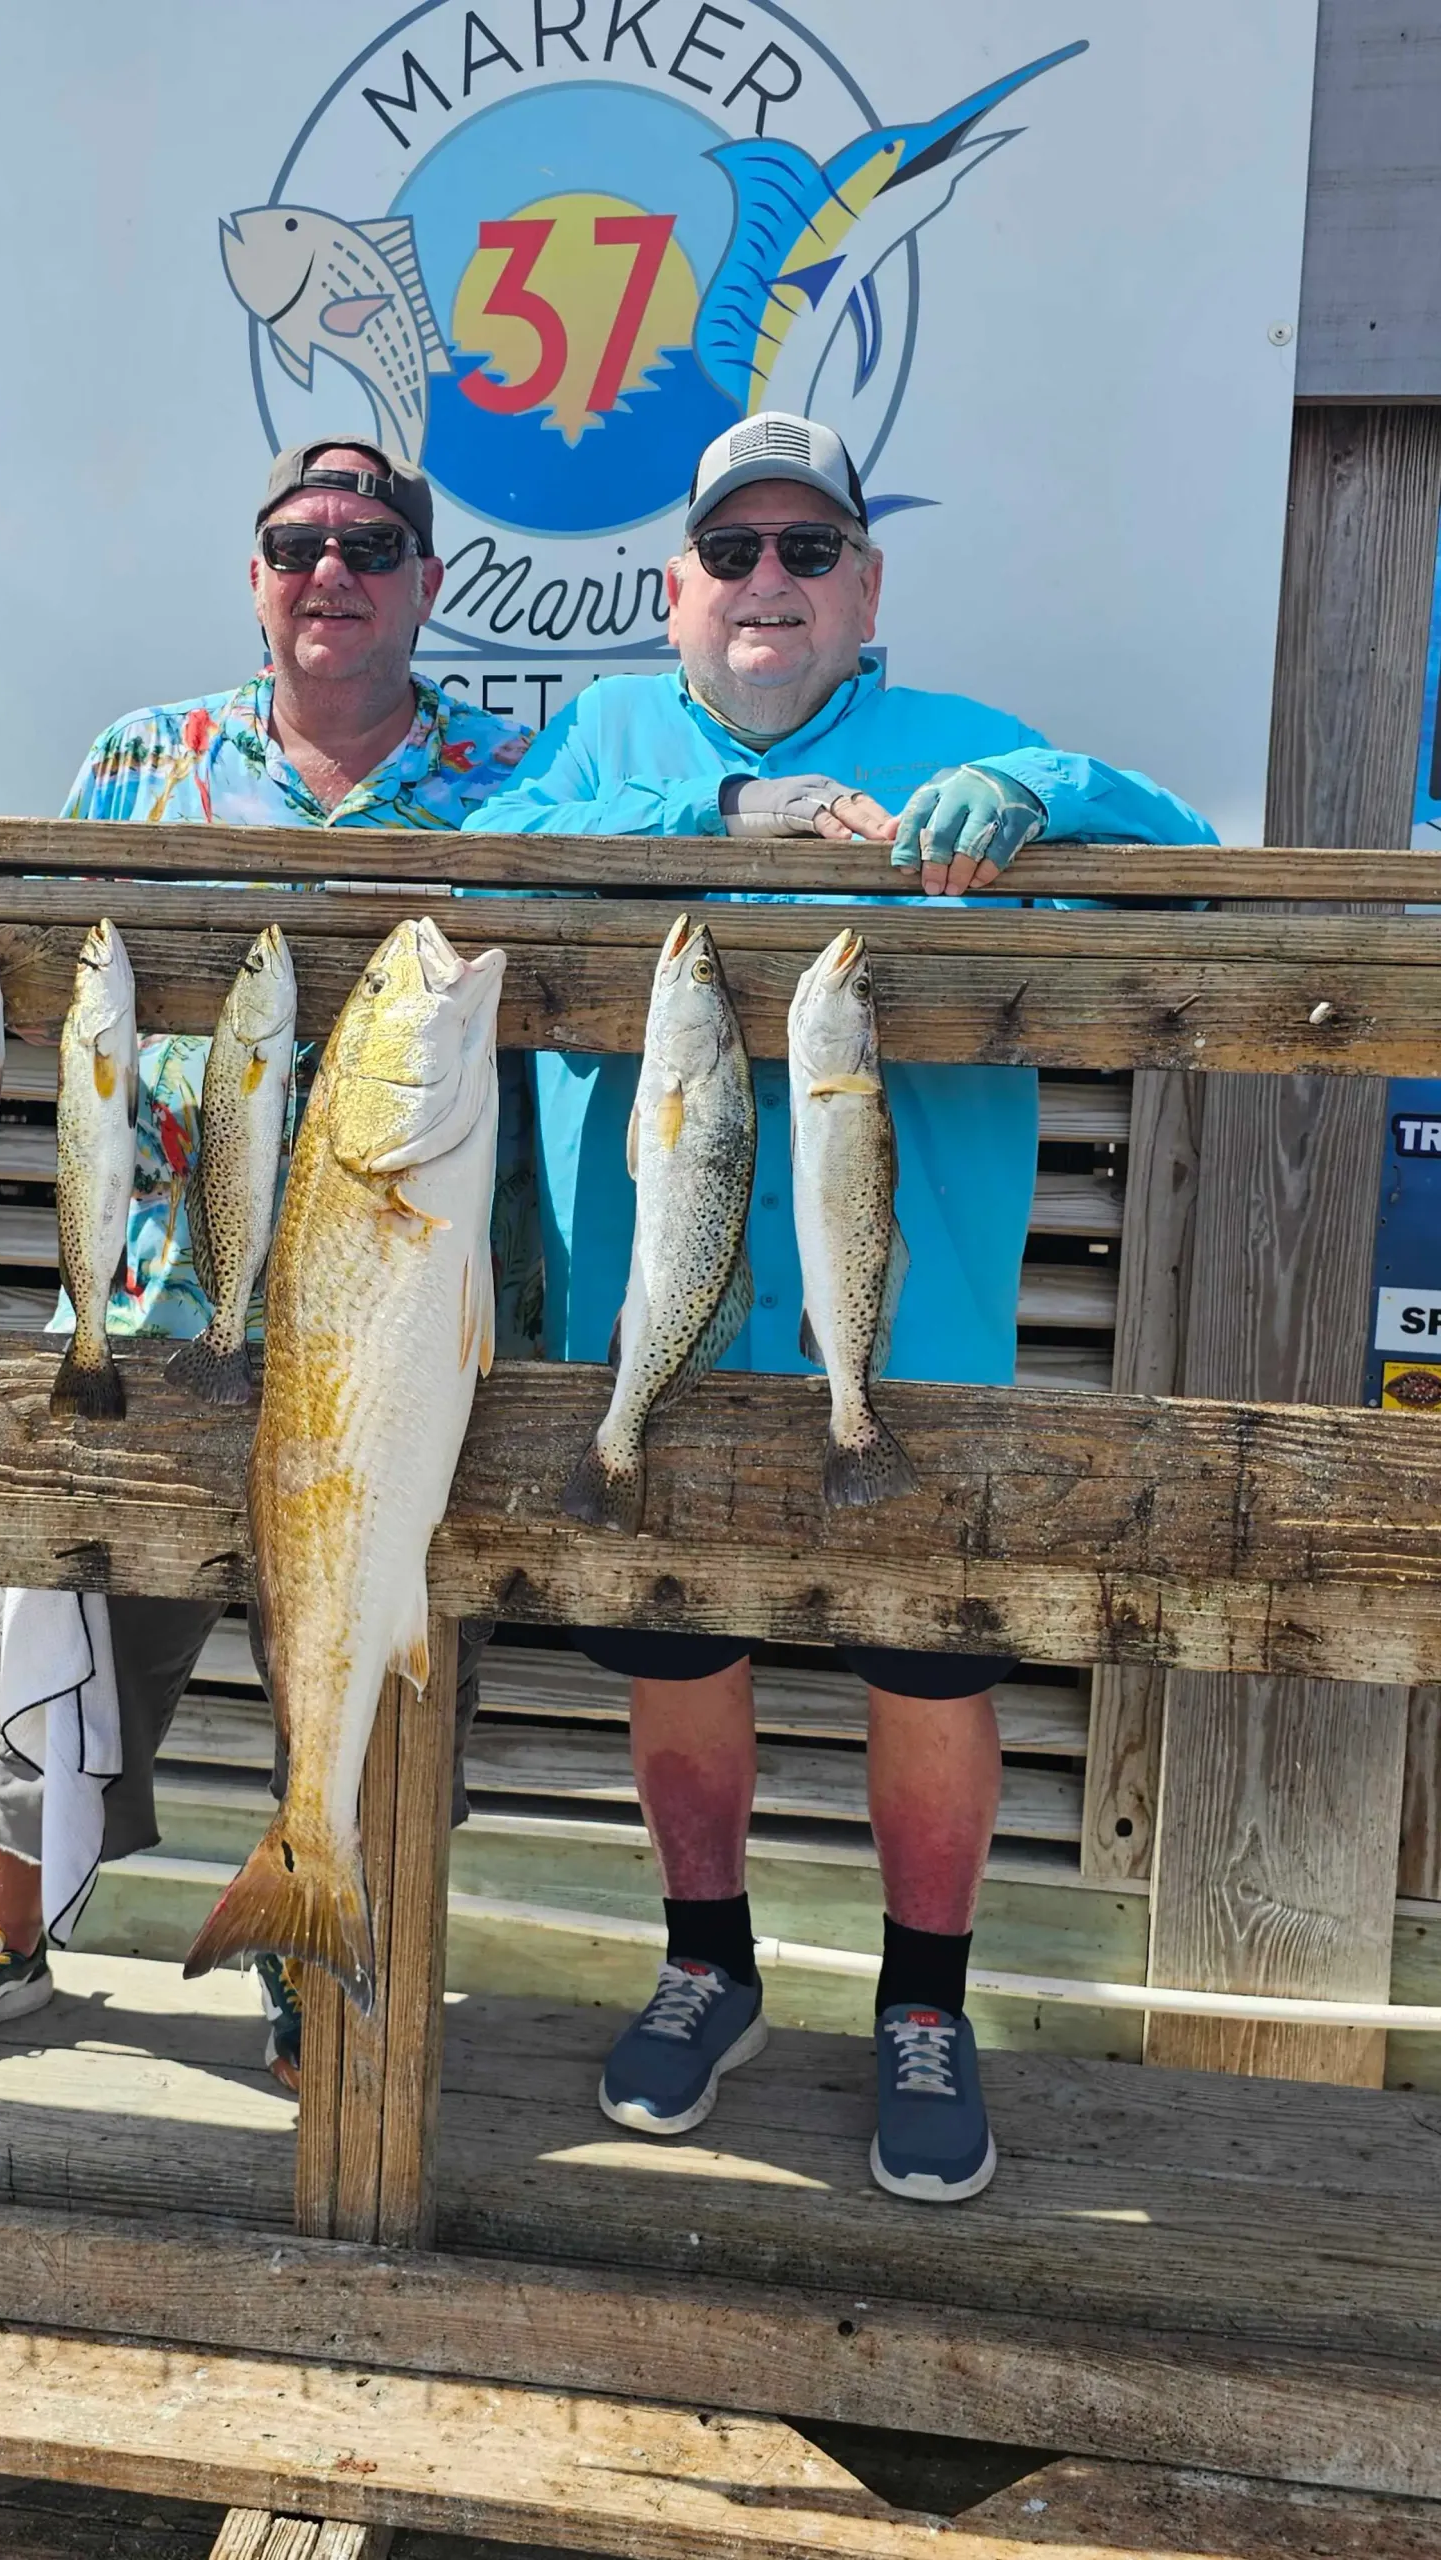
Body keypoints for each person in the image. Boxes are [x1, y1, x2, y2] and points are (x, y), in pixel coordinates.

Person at [469, 409, 1215, 2203]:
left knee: (930, 1662)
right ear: (674, 593)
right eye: (734, 552)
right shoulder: (595, 743)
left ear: (869, 589)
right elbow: (485, 859)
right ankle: (707, 1964)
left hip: (916, 1328)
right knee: (679, 1647)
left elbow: (1184, 844)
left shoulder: (967, 748)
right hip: (659, 1333)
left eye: (811, 551)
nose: (770, 583)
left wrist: (1058, 798)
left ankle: (927, 2007)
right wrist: (720, 815)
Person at [0, 439, 531, 2091]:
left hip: (407, 1316)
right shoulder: (148, 758)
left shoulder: (521, 766)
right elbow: (52, 956)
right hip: (149, 1301)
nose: (332, 570)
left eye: (370, 542)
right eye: (297, 542)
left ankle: (320, 1932)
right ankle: (3, 1936)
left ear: (428, 578)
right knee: (50, 1612)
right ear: (255, 574)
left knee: (378, 1632)